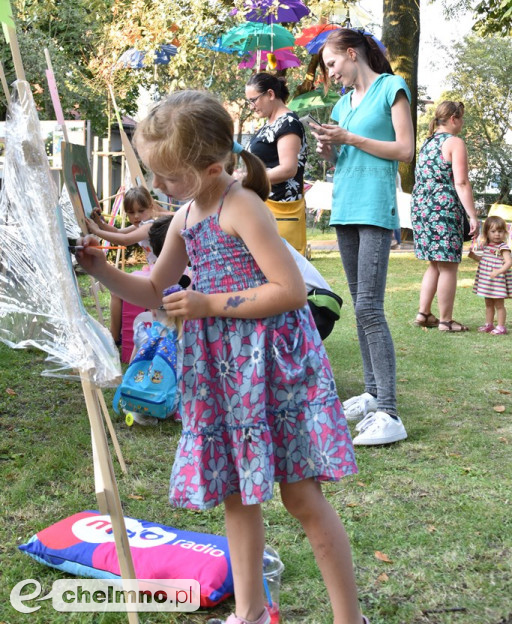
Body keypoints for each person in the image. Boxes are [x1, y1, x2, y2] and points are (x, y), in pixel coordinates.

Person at [77, 90, 369, 624]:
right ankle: (252, 612)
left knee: (301, 497)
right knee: (237, 494)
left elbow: (290, 292)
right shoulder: (187, 215)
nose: (157, 186)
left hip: (274, 367)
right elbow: (154, 289)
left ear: (212, 167)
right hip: (226, 371)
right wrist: (100, 268)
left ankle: (350, 618)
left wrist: (209, 303)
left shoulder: (243, 207)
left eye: (167, 176)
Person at [310, 28, 415, 447]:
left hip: (374, 206)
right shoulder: (342, 103)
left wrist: (349, 137)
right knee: (360, 306)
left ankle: (389, 412)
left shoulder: (392, 87)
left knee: (370, 306)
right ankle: (372, 395)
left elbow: (404, 150)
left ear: (352, 54)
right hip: (345, 205)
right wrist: (329, 150)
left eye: (332, 64)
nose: (331, 74)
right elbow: (345, 154)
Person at [411, 101, 479, 332]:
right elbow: (461, 182)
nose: (462, 124)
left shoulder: (427, 143)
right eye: (461, 119)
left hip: (422, 207)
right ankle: (446, 321)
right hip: (443, 207)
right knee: (448, 265)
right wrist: (472, 214)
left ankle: (423, 313)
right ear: (453, 118)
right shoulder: (455, 143)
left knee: (434, 264)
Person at [245, 72, 308, 255]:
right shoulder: (269, 123)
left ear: (270, 94)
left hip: (282, 210)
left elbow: (288, 169)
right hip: (266, 208)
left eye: (254, 100)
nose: (252, 107)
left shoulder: (288, 123)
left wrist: (250, 178)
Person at [86, 186, 158, 343]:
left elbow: (124, 240)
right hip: (153, 270)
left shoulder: (149, 226)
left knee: (116, 292)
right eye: (131, 213)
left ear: (151, 208)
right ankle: (116, 335)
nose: (136, 216)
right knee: (116, 292)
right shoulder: (141, 224)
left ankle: (114, 336)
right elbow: (118, 233)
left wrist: (96, 231)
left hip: (158, 273)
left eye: (141, 210)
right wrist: (99, 223)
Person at [469, 215, 512, 335]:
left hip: (498, 281)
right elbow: (485, 260)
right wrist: (474, 257)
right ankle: (489, 324)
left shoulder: (503, 247)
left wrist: (498, 271)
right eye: (493, 231)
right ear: (487, 232)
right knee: (488, 303)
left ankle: (501, 327)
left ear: (505, 232)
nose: (497, 234)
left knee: (499, 304)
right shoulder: (488, 246)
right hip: (487, 281)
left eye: (500, 231)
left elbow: (509, 262)